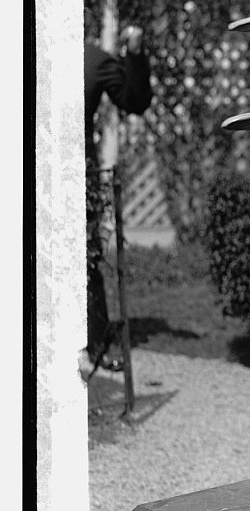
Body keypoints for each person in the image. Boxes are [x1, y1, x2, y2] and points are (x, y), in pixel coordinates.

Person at [83, 25, 153, 372]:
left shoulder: (92, 59)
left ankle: (93, 346)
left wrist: (135, 55)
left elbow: (134, 101)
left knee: (84, 259)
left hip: (73, 173)